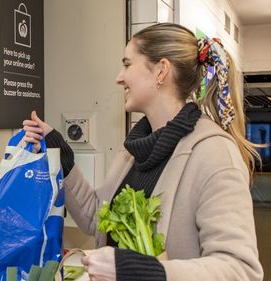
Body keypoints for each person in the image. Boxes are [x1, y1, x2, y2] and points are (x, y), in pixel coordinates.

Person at [23, 23, 263, 281]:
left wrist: (146, 272)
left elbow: (240, 270)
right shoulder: (136, 147)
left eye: (127, 64)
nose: (119, 77)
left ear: (161, 70)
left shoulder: (214, 153)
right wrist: (60, 154)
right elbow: (96, 218)